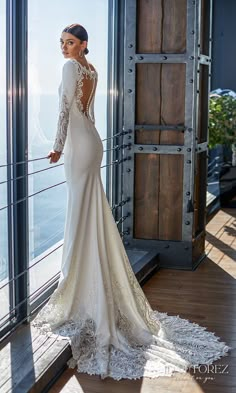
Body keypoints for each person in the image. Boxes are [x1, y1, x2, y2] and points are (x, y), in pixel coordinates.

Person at [32, 23, 230, 380]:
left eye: (70, 42)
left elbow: (64, 111)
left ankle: (77, 287)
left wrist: (58, 147)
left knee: (80, 215)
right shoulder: (90, 69)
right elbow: (88, 114)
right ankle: (85, 281)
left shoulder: (70, 67)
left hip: (78, 147)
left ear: (83, 45)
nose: (63, 47)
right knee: (90, 213)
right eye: (61, 42)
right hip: (93, 142)